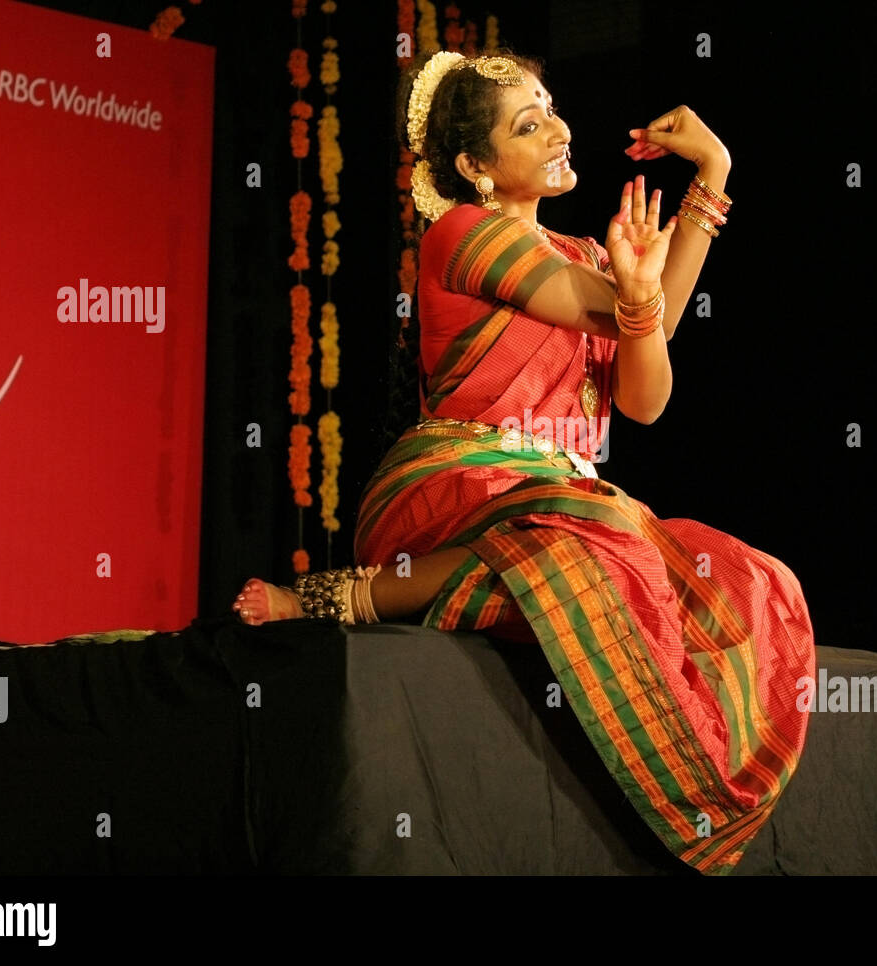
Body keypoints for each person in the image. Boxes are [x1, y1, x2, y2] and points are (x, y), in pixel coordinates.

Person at [232, 50, 815, 875]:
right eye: (527, 124)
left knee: (751, 578)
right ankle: (342, 598)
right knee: (602, 531)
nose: (557, 131)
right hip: (453, 483)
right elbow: (619, 312)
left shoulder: (584, 253)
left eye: (551, 109)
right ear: (473, 167)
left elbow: (646, 397)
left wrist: (711, 176)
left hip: (562, 501)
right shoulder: (462, 235)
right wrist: (636, 297)